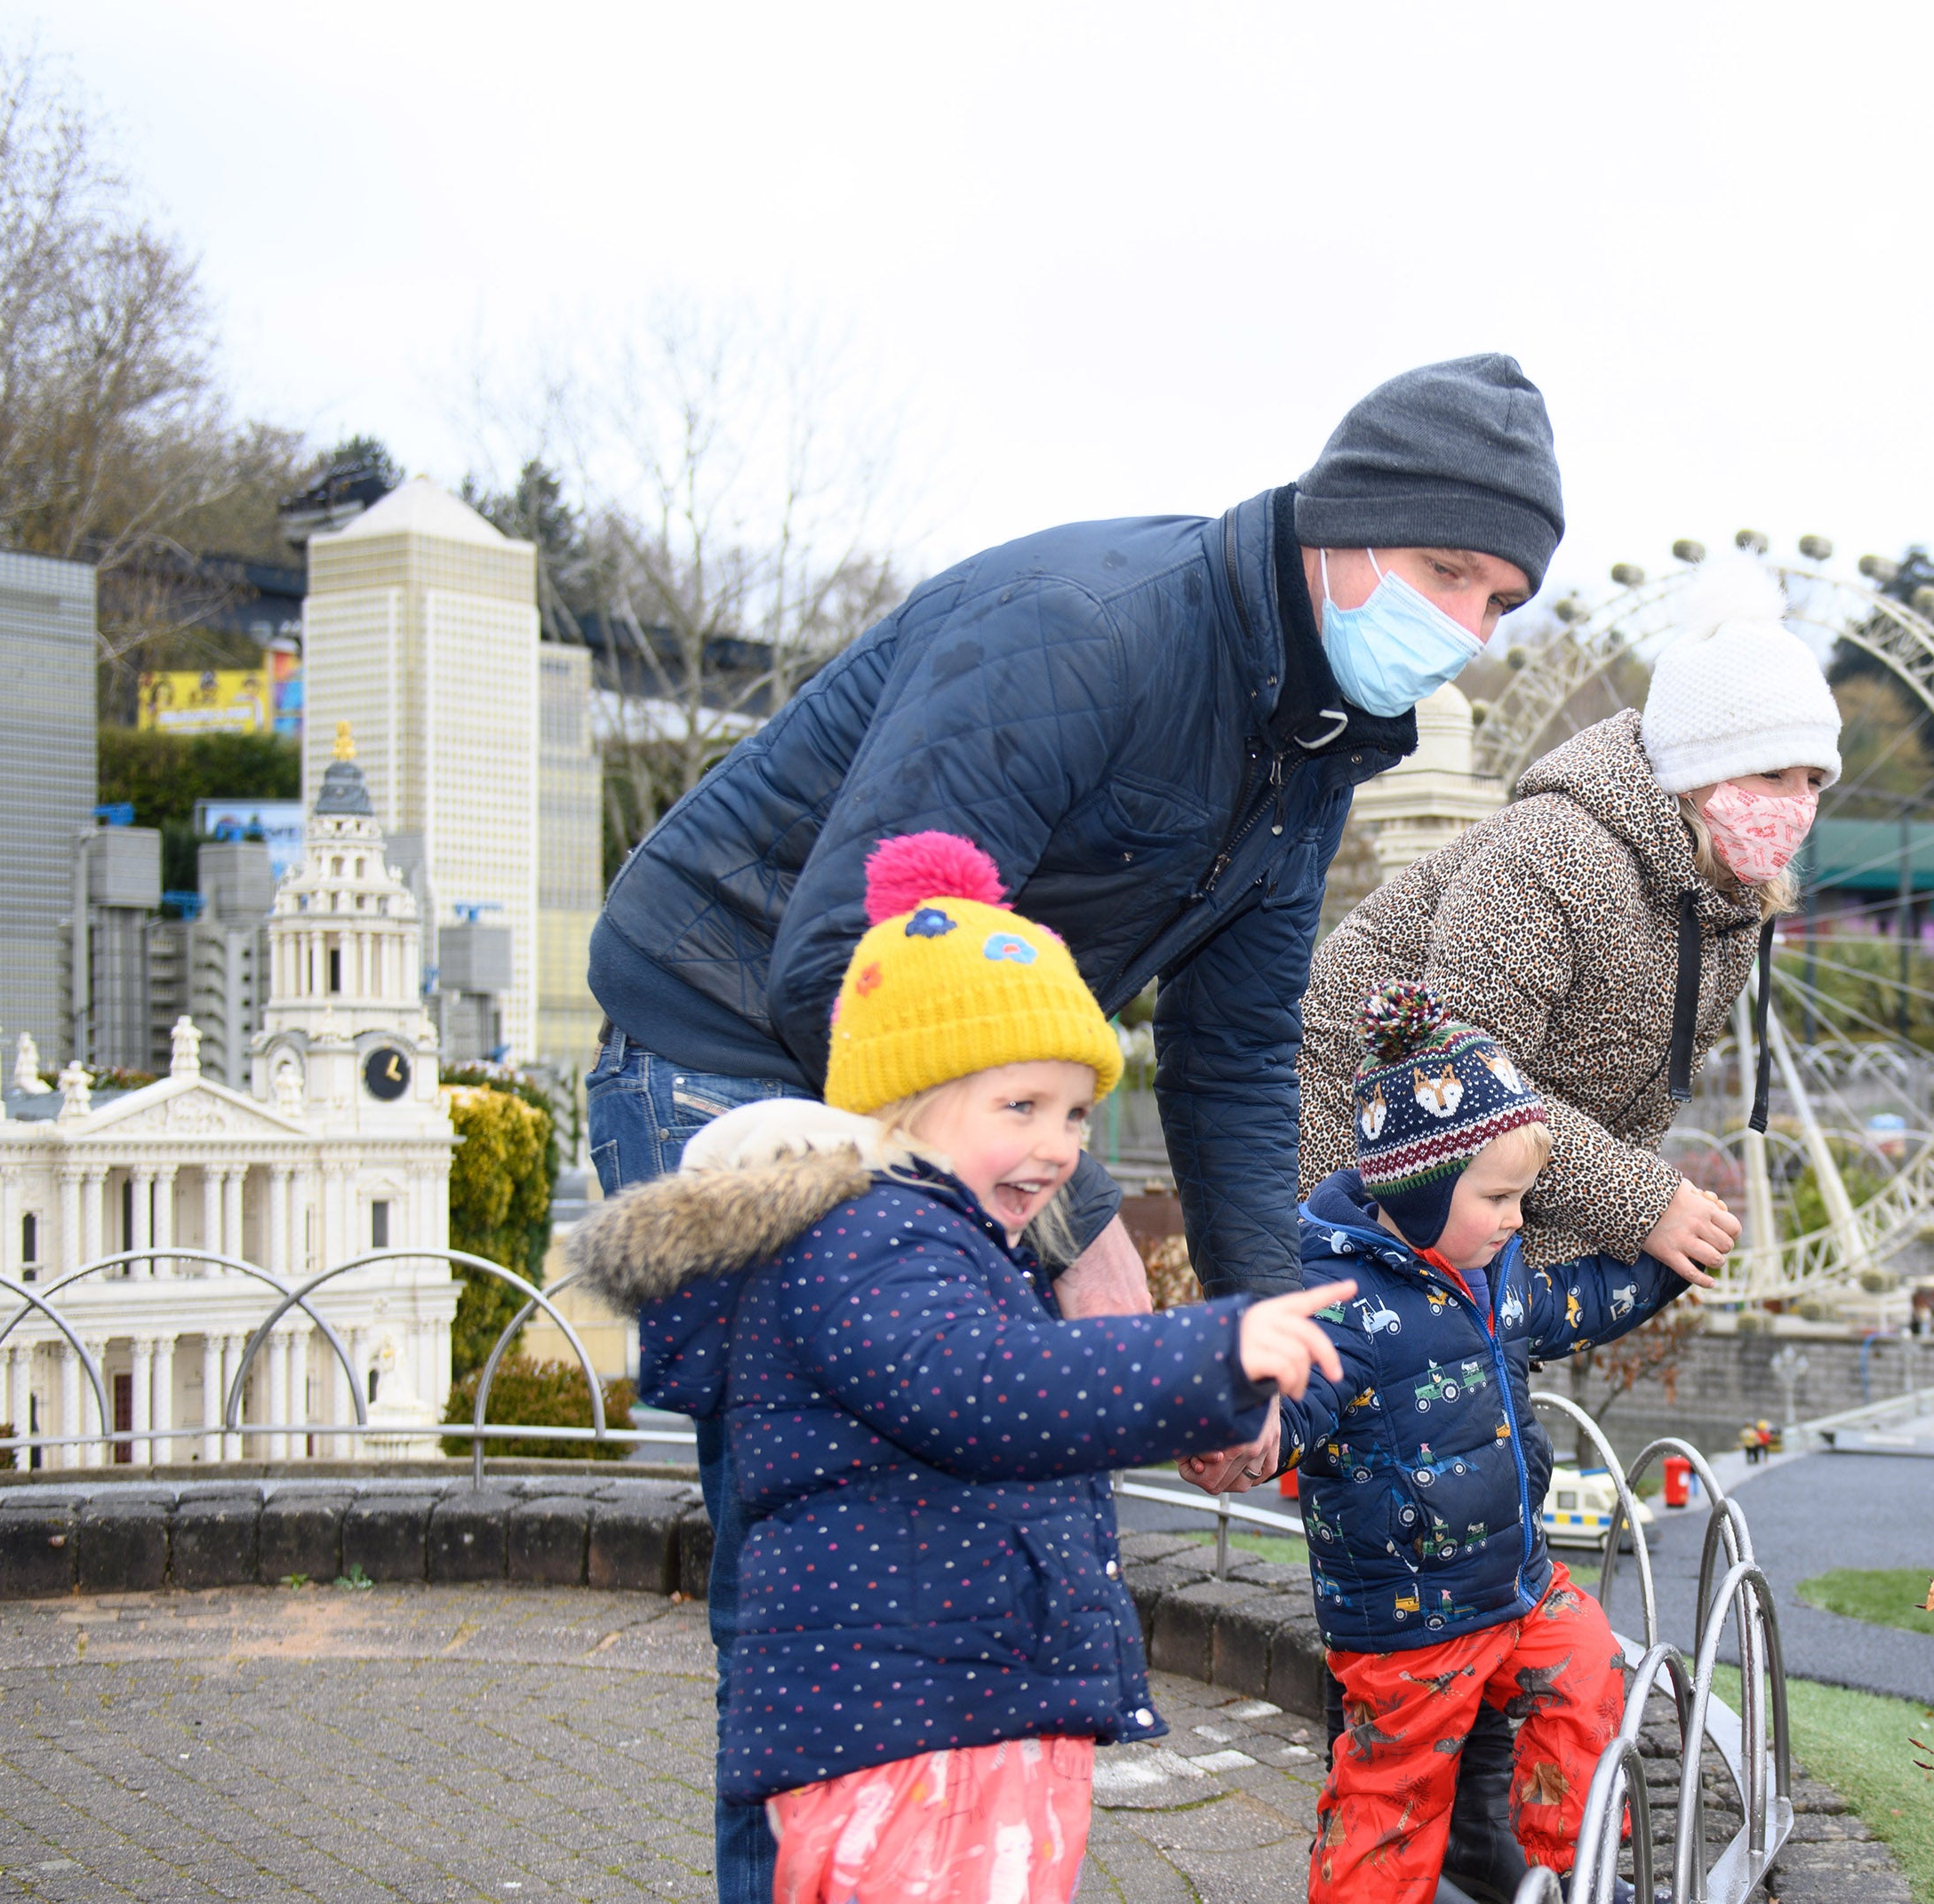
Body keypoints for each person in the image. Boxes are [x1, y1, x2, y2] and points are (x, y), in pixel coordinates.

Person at [580, 356, 1563, 1899]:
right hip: (733, 1035)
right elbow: (846, 955)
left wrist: (1251, 1327)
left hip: (968, 1090)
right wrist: (1075, 1221)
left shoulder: (1307, 749)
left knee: (976, 1502)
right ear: (1336, 526)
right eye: (1444, 571)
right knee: (828, 1558)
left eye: (1503, 599)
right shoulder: (1083, 633)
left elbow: (1234, 1047)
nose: (1466, 629)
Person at [573, 835, 1355, 1904]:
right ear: (909, 1100)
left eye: (1076, 1113)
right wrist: (1210, 1353)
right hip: (902, 1736)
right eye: (1019, 1108)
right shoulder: (868, 1243)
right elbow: (993, 1388)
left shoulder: (943, 1243)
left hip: (959, 1707)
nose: (1060, 1147)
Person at [1251, 555, 1837, 1892]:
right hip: (1378, 1151)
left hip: (1504, 1182)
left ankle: (1492, 1825)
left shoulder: (1725, 899)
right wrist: (1640, 1202)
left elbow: (1611, 1078)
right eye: (1775, 776)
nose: (1795, 808)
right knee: (1405, 1459)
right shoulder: (1554, 854)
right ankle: (1422, 1789)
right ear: (1698, 771)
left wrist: (1641, 1250)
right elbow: (1469, 1063)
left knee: (1477, 1444)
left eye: (1814, 781)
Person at [1273, 983, 1701, 1904]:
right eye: (1499, 1197)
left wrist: (1666, 1267)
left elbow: (1562, 1308)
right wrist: (1249, 1432)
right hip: (1407, 1612)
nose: (1517, 1218)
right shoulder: (1338, 1300)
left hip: (1514, 1576)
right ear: (1420, 1196)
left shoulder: (1487, 1267)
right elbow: (1292, 1398)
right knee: (1391, 1793)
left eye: (1520, 1197)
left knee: (1585, 1672)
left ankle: (1565, 1872)